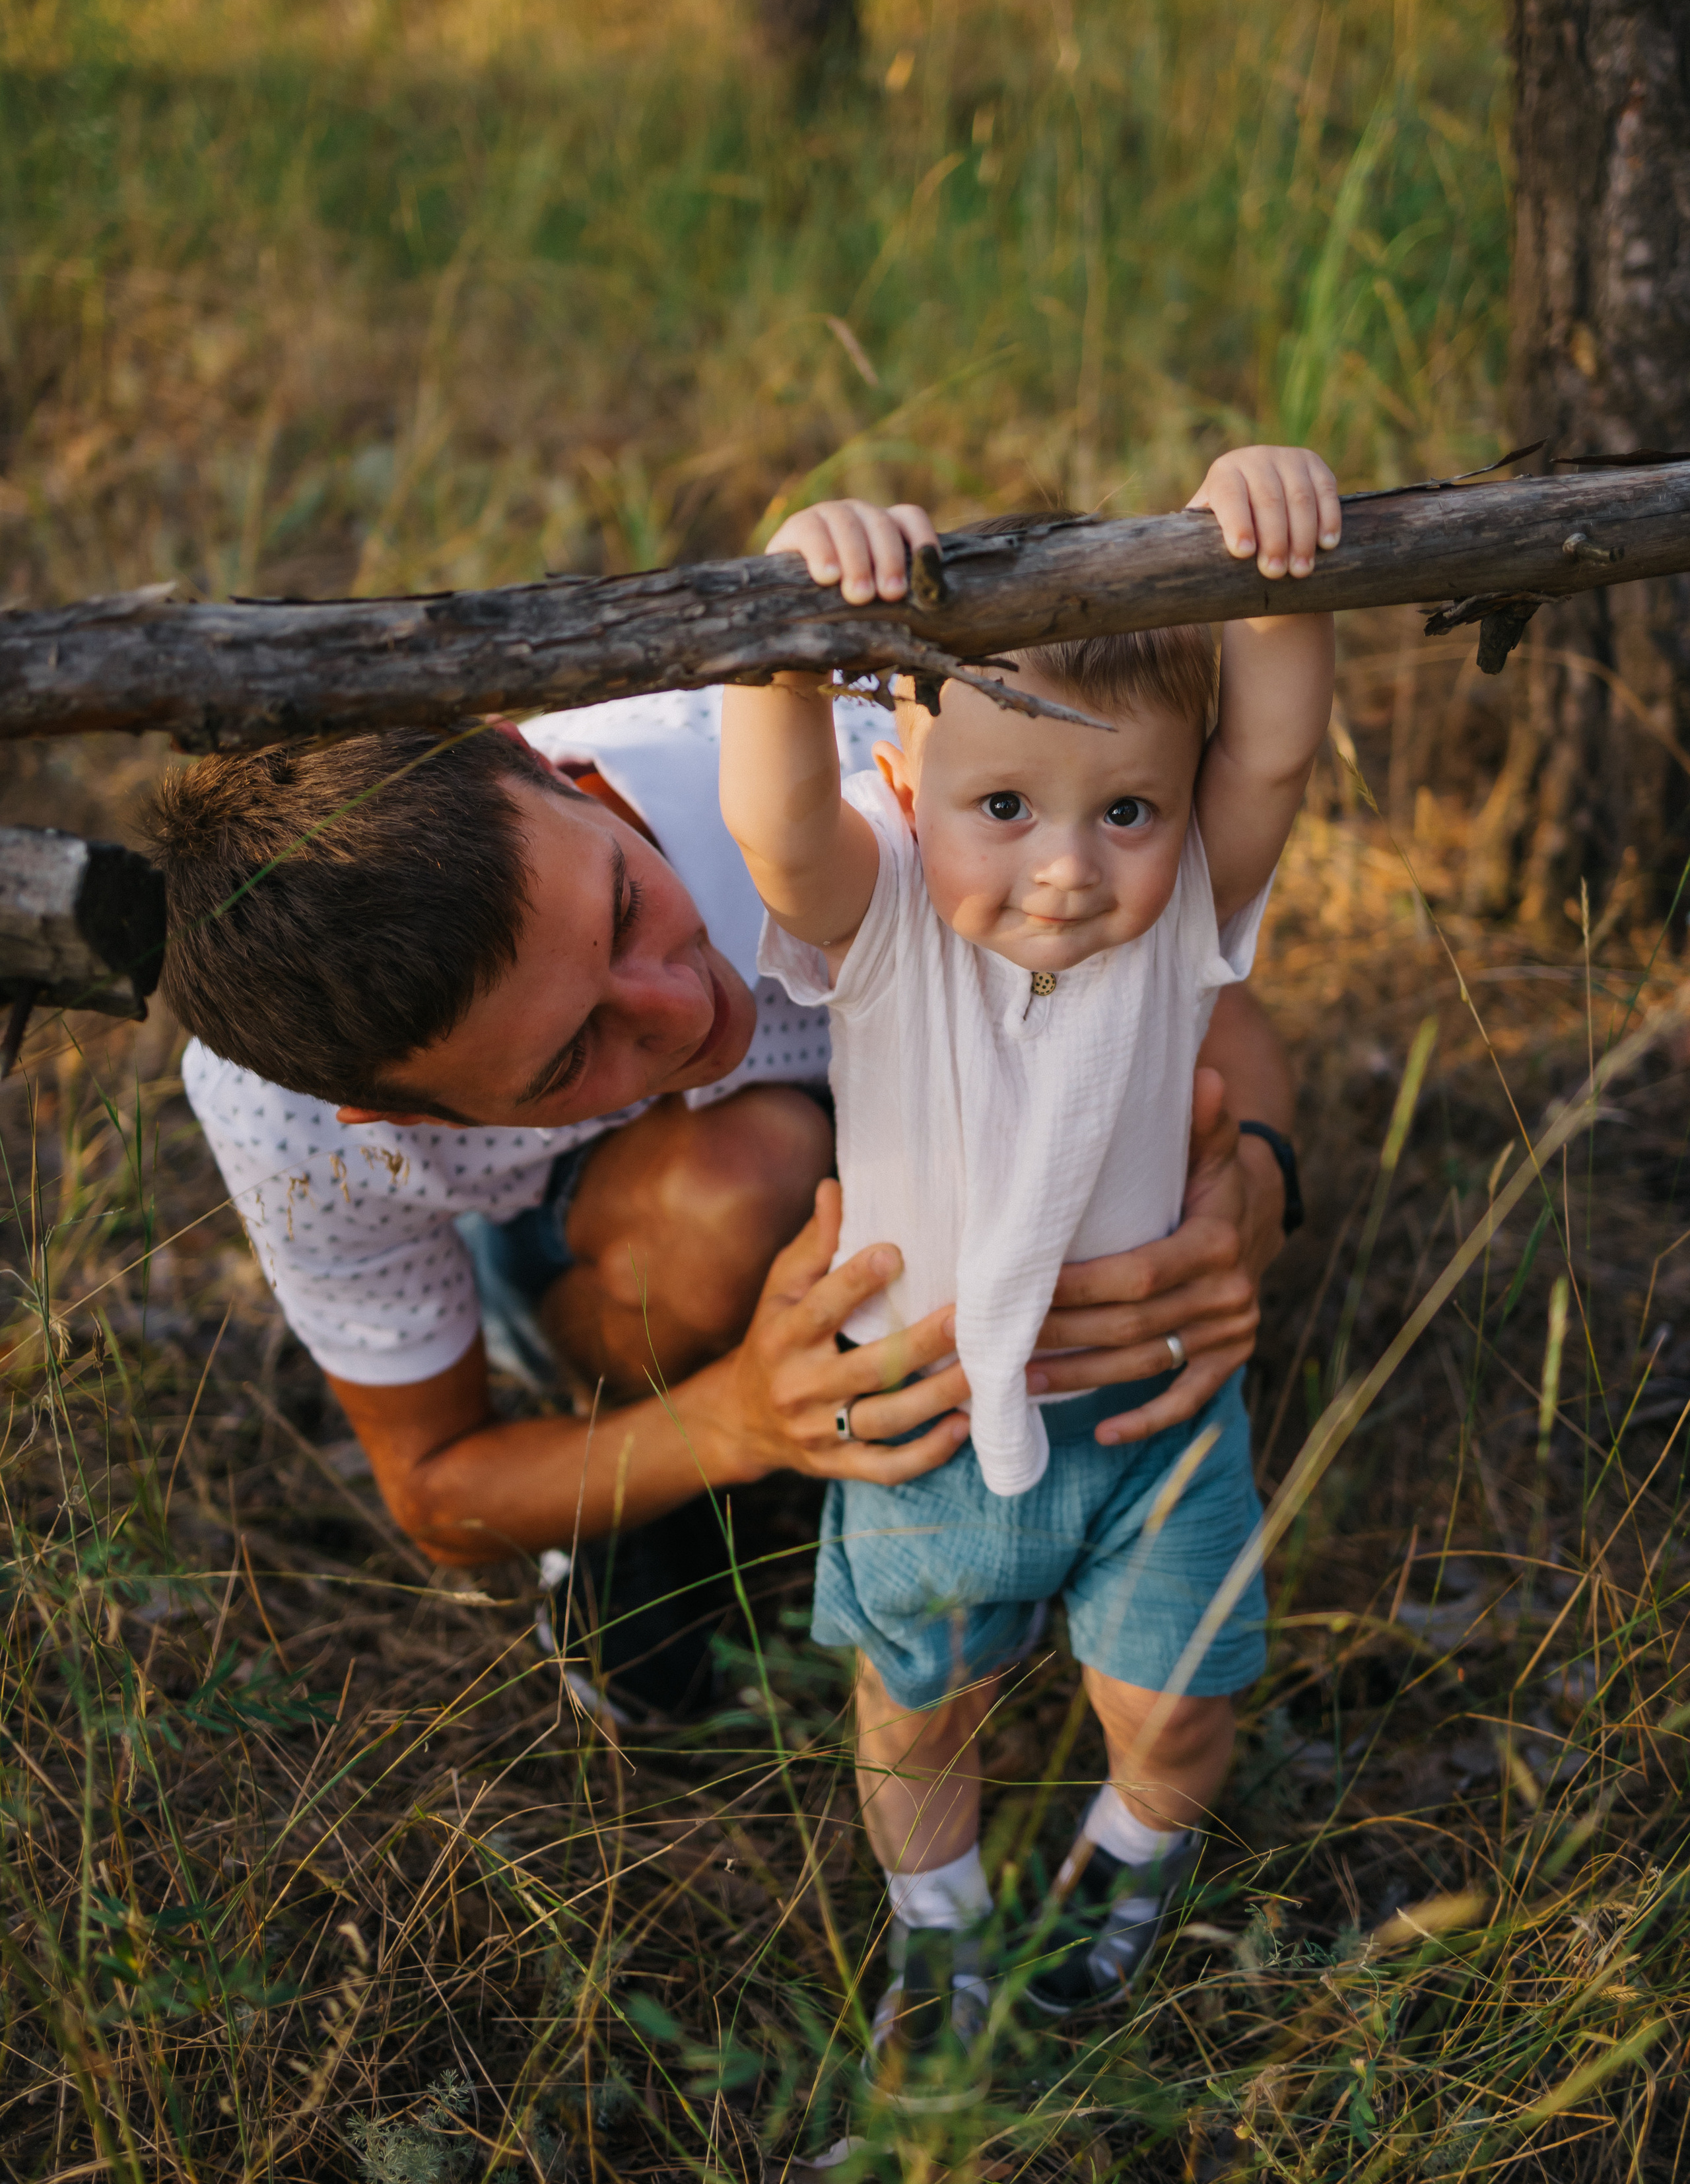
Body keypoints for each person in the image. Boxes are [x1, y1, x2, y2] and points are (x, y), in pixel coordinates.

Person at [148, 477, 1304, 1716]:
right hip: (616, 1256)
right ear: (401, 1116)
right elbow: (435, 1487)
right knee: (743, 1176)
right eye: (567, 1056)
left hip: (943, 1200)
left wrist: (1256, 1192)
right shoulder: (295, 1115)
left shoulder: (863, 756)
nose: (683, 1010)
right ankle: (666, 1486)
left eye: (625, 906)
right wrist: (732, 1423)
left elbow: (1199, 994)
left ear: (528, 749)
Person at [719, 445, 1336, 2094]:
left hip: (1144, 1423)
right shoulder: (890, 916)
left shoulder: (1176, 916)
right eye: (1007, 808)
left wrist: (1267, 560)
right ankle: (940, 1921)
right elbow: (773, 820)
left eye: (1123, 809)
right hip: (923, 1412)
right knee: (916, 1715)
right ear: (910, 792)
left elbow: (1269, 757)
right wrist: (792, 617)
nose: (1068, 865)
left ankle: (1120, 1873)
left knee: (1175, 1712)